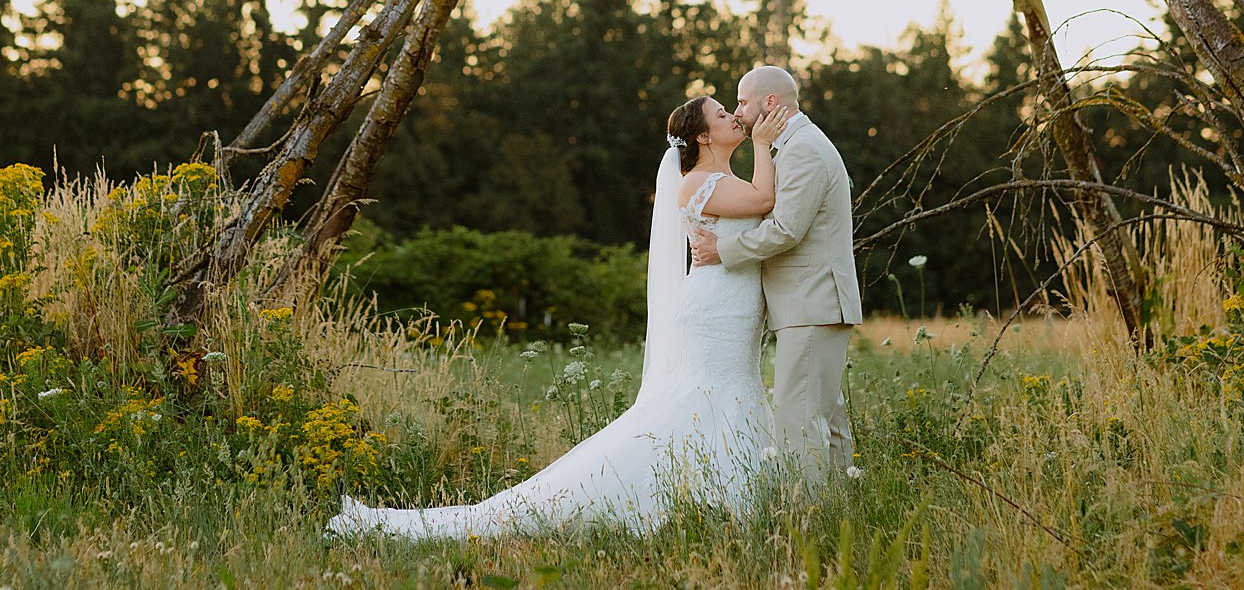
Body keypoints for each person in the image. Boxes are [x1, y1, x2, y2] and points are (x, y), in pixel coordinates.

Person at [328, 92, 790, 539]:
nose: (732, 116)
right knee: (711, 394)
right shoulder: (697, 184)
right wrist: (764, 145)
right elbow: (763, 202)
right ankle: (701, 499)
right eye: (721, 113)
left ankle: (719, 498)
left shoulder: (728, 179)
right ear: (704, 137)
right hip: (715, 309)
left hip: (734, 305)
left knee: (728, 393)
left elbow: (755, 205)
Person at [690, 64, 862, 487]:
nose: (738, 111)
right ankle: (838, 509)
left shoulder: (803, 148)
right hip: (811, 303)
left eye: (743, 102)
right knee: (823, 418)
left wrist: (721, 251)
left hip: (812, 302)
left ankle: (806, 519)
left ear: (770, 102)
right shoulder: (795, 144)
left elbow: (786, 230)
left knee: (798, 421)